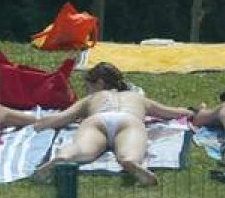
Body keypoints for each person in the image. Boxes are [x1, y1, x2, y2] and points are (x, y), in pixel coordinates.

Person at [33, 62, 192, 187]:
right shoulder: (136, 98)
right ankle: (131, 163)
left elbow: (61, 118)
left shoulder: (92, 98)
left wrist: (39, 123)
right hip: (129, 120)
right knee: (129, 153)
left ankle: (63, 157)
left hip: (97, 120)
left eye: (87, 86)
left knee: (81, 148)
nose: (85, 90)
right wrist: (193, 112)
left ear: (100, 83)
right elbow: (172, 112)